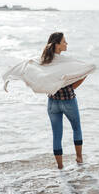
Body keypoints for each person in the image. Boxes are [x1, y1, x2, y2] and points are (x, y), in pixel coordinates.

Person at [40, 32, 86, 169]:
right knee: (76, 128)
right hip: (68, 101)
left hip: (52, 103)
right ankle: (79, 159)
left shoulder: (44, 61)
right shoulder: (65, 62)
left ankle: (60, 167)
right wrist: (84, 75)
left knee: (57, 135)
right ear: (57, 45)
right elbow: (71, 86)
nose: (66, 44)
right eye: (64, 41)